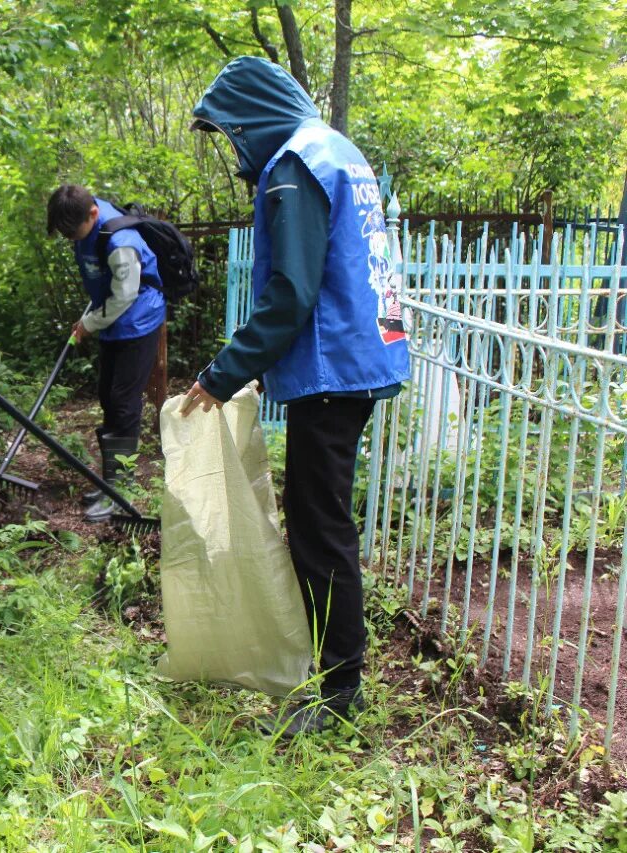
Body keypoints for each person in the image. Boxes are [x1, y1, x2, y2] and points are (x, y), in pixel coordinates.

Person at [181, 57, 410, 734]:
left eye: (229, 134)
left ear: (250, 118)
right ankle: (336, 669)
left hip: (334, 368)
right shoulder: (335, 149)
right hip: (362, 354)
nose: (233, 150)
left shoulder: (293, 164)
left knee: (319, 525)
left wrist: (223, 372)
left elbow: (292, 293)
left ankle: (340, 689)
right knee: (324, 518)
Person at [46, 185, 166, 522]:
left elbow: (125, 294)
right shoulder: (82, 213)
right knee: (108, 396)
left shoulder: (120, 243)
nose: (71, 239)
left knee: (124, 400)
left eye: (74, 232)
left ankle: (121, 491)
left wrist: (89, 323)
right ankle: (110, 482)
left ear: (94, 214)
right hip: (113, 319)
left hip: (138, 319)